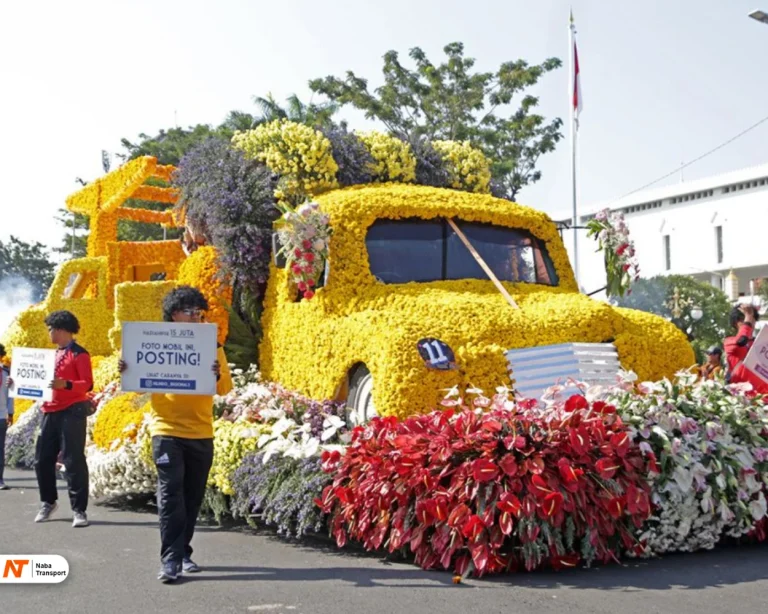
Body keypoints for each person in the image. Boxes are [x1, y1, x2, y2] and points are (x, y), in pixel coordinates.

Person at [119, 286, 232, 583]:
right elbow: (139, 385)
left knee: (192, 497)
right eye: (189, 311)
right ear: (173, 314)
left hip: (201, 432)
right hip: (166, 430)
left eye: (199, 312)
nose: (196, 317)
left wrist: (216, 373)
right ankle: (169, 559)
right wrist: (128, 369)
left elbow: (225, 390)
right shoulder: (154, 339)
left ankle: (183, 551)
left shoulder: (213, 346)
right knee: (170, 494)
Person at [26, 310, 93, 526]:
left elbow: (88, 384)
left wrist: (67, 384)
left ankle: (79, 510)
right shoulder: (50, 356)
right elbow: (35, 383)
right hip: (49, 411)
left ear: (62, 330)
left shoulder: (80, 354)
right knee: (42, 460)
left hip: (72, 411)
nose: (49, 333)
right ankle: (48, 502)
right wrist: (15, 384)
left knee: (73, 460)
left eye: (51, 329)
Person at [723, 304, 768, 394]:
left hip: (763, 398)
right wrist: (748, 318)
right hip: (739, 398)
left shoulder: (762, 343)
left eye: (753, 318)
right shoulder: (729, 342)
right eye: (745, 318)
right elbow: (741, 341)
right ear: (736, 322)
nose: (751, 321)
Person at [0, 344, 14, 491]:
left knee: (0, 450)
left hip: (0, 417)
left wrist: (10, 413)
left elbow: (11, 395)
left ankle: (0, 479)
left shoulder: (6, 375)